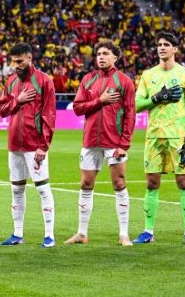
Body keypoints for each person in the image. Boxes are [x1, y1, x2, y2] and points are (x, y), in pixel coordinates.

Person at [65, 41, 136, 246]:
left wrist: (124, 144)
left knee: (119, 183)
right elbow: (78, 108)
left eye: (106, 53)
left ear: (115, 57)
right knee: (86, 184)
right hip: (90, 141)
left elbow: (130, 114)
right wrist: (100, 100)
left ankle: (123, 234)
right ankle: (81, 233)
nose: (101, 57)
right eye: (99, 54)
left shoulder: (124, 81)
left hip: (114, 141)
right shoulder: (88, 79)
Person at [133, 31, 185, 245]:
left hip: (178, 137)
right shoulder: (148, 75)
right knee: (152, 183)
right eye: (159, 44)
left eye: (166, 44)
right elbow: (136, 105)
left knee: (183, 181)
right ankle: (148, 231)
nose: (161, 47)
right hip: (154, 136)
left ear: (175, 49)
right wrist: (156, 97)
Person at [0, 43, 57, 248]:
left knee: (42, 189)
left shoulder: (44, 81)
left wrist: (44, 146)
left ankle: (49, 236)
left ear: (30, 58)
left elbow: (49, 115)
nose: (16, 66)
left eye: (20, 62)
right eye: (14, 62)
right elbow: (2, 110)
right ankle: (17, 234)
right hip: (15, 145)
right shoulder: (11, 81)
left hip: (35, 146)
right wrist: (17, 100)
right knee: (16, 190)